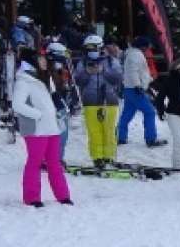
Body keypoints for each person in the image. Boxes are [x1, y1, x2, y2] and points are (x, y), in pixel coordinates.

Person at [11, 48, 72, 207]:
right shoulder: (23, 81)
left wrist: (60, 109)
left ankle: (63, 196)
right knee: (35, 162)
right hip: (36, 130)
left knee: (55, 163)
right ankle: (32, 198)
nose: (44, 61)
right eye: (40, 59)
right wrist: (38, 115)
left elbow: (54, 98)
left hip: (52, 127)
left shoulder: (45, 78)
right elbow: (17, 105)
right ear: (32, 62)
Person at [74, 35, 123, 167]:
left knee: (109, 130)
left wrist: (104, 71)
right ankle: (97, 157)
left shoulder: (111, 61)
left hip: (109, 100)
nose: (90, 51)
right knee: (94, 130)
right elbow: (78, 80)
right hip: (90, 101)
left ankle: (109, 156)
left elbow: (118, 78)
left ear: (100, 47)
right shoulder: (82, 62)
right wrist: (87, 72)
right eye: (88, 48)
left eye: (93, 48)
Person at [117, 36, 164, 147]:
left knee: (127, 114)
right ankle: (151, 139)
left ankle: (120, 137)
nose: (148, 48)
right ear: (142, 46)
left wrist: (149, 79)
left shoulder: (132, 54)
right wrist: (138, 85)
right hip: (135, 89)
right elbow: (133, 71)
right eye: (147, 46)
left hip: (129, 88)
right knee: (150, 112)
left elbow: (138, 72)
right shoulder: (136, 55)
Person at [151, 57, 180, 169]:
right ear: (176, 69)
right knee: (179, 140)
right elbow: (160, 97)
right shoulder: (169, 80)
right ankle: (177, 166)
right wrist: (160, 111)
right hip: (174, 114)